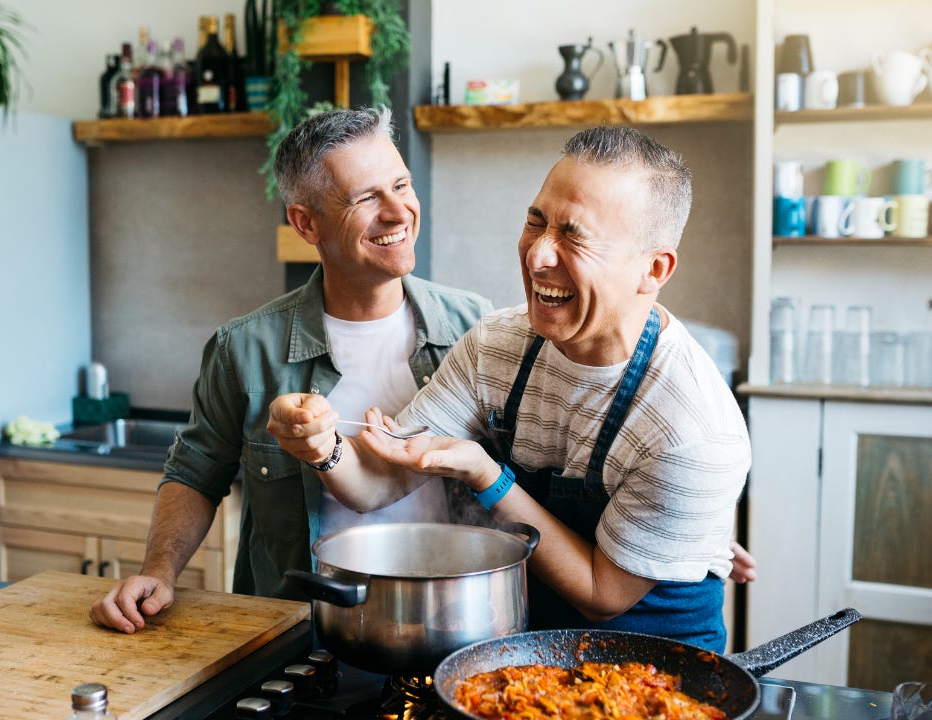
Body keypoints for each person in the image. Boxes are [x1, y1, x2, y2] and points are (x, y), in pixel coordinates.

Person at [268, 125, 752, 652]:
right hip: (523, 656)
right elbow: (379, 481)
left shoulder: (693, 429)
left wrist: (487, 476)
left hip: (651, 670)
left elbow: (601, 593)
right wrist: (323, 448)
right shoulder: (496, 346)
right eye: (535, 221)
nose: (538, 255)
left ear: (652, 269)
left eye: (574, 235)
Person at [89, 107, 492, 633]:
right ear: (306, 222)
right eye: (367, 198)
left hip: (453, 628)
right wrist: (158, 572)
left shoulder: (479, 328)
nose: (399, 212)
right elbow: (193, 473)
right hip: (301, 637)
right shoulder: (244, 348)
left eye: (401, 185)